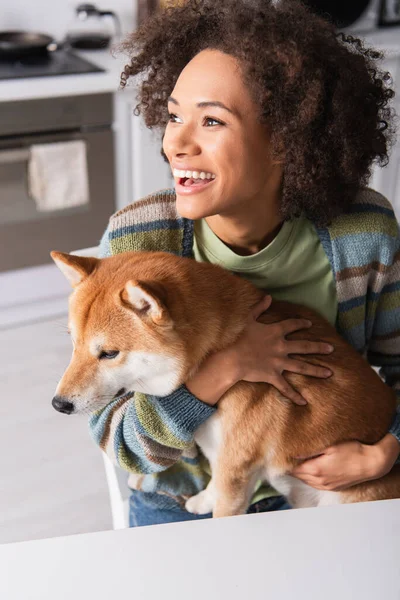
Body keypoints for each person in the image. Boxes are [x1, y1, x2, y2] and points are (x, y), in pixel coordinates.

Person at [90, 0, 400, 527]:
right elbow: (120, 443)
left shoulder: (363, 232)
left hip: (329, 489)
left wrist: (387, 451)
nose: (176, 144)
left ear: (286, 140)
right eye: (173, 116)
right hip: (182, 500)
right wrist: (225, 369)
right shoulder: (138, 240)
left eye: (211, 120)